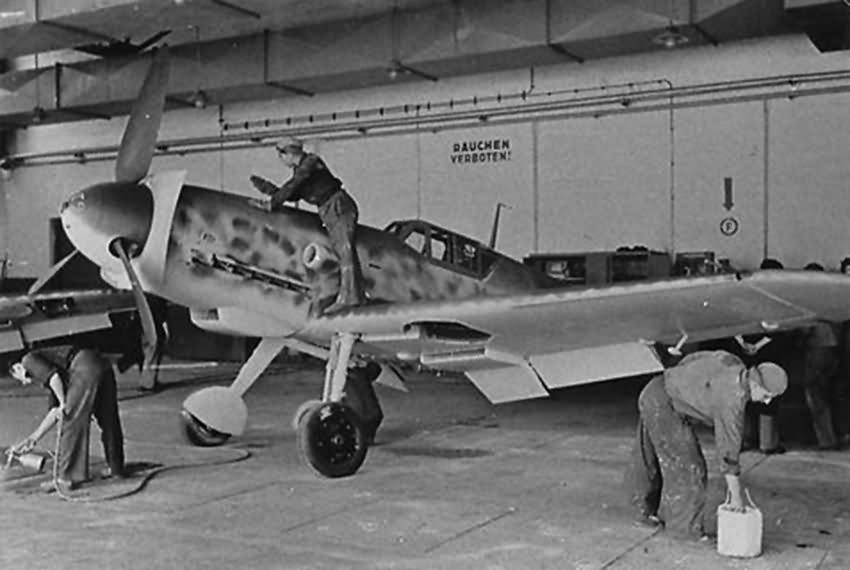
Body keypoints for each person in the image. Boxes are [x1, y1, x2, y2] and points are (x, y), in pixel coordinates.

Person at [625, 350, 788, 540]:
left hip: (655, 388)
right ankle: (683, 530)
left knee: (648, 455)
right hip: (664, 405)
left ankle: (642, 511)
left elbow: (692, 358)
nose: (767, 402)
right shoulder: (732, 401)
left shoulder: (732, 361)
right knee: (690, 467)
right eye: (767, 395)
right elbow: (728, 453)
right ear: (756, 385)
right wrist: (736, 497)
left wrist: (685, 384)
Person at [250, 138, 364, 314]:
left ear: (287, 153)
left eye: (281, 156)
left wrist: (273, 202)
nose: (281, 161)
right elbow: (295, 193)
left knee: (344, 250)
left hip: (337, 205)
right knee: (341, 251)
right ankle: (353, 295)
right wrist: (271, 190)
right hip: (328, 209)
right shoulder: (302, 170)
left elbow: (294, 185)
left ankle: (350, 297)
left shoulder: (310, 162)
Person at [9, 347, 125, 492]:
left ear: (17, 367)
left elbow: (54, 379)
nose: (24, 383)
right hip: (101, 363)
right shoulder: (54, 372)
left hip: (83, 364)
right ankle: (116, 467)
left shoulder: (28, 360)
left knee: (70, 420)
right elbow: (54, 411)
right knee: (108, 418)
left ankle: (66, 478)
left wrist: (64, 404)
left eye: (19, 378)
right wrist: (33, 438)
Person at [801, 262, 841, 450]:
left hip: (817, 349)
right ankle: (832, 435)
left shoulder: (810, 298)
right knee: (829, 394)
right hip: (833, 349)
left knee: (815, 396)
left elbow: (806, 328)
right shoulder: (830, 295)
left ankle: (826, 440)